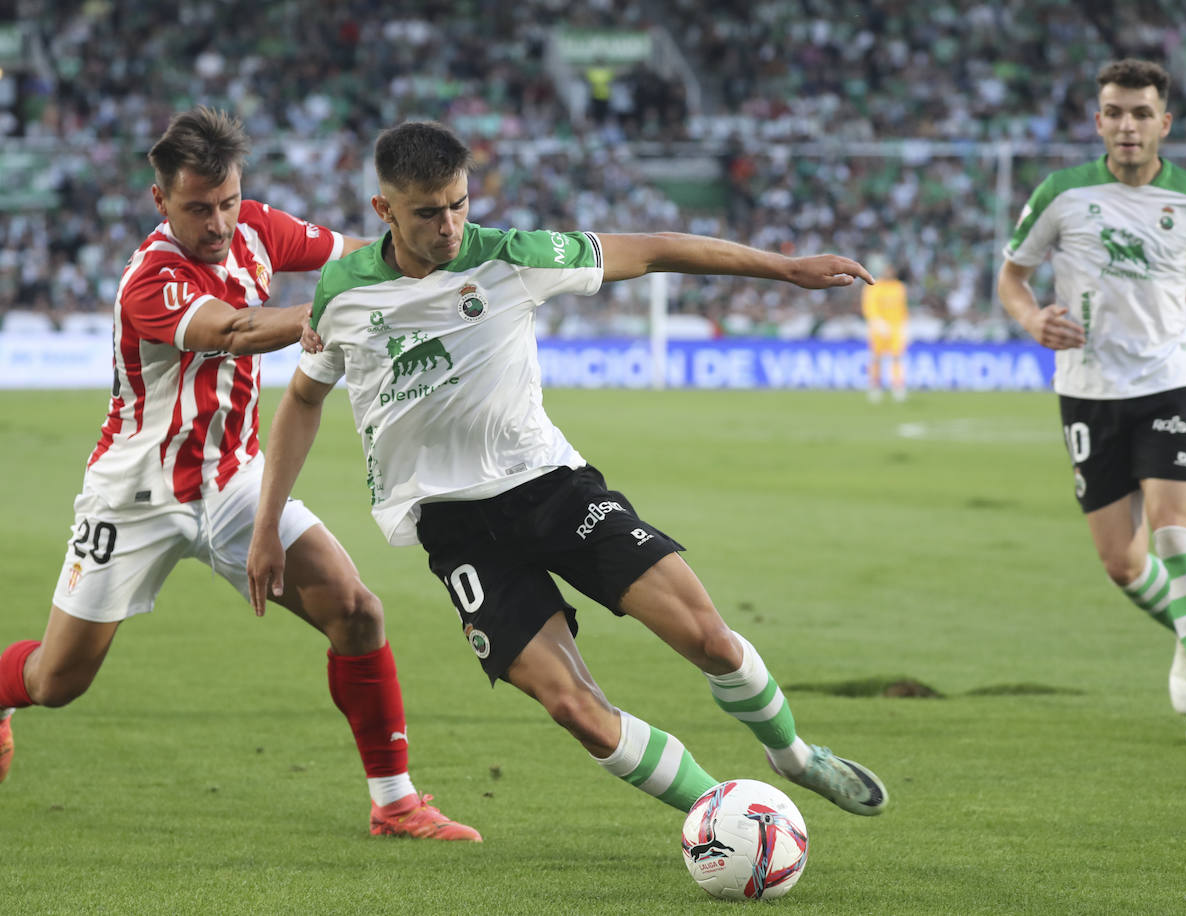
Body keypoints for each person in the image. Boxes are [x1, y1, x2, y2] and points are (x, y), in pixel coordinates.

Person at [247, 120, 890, 822]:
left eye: (459, 204)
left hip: (552, 488)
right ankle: (721, 816)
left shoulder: (513, 257)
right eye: (429, 212)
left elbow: (655, 250)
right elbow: (303, 401)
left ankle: (793, 755)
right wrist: (265, 525)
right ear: (385, 211)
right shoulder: (342, 291)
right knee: (574, 707)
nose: (450, 226)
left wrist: (786, 268)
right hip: (458, 532)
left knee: (707, 638)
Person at [0, 108, 480, 841]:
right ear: (159, 201)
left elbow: (368, 252)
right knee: (60, 681)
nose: (218, 222)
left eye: (229, 201)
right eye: (198, 208)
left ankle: (395, 802)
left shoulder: (260, 228)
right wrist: (343, 310)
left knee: (357, 611)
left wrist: (435, 250)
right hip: (136, 495)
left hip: (236, 480)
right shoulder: (152, 279)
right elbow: (235, 330)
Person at [996, 60, 1186, 744]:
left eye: (1140, 113)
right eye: (1115, 112)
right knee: (1122, 564)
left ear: (1165, 122)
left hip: (1166, 383)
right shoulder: (1062, 195)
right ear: (1099, 121)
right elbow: (1012, 277)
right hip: (1086, 392)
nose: (1127, 125)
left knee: (1173, 524)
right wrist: (1032, 319)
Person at [862, 260, 909, 402]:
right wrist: (876, 322)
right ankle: (875, 386)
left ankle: (897, 386)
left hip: (896, 327)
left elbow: (902, 308)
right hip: (879, 328)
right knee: (876, 358)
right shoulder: (874, 286)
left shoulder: (899, 287)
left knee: (897, 357)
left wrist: (905, 325)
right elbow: (869, 307)